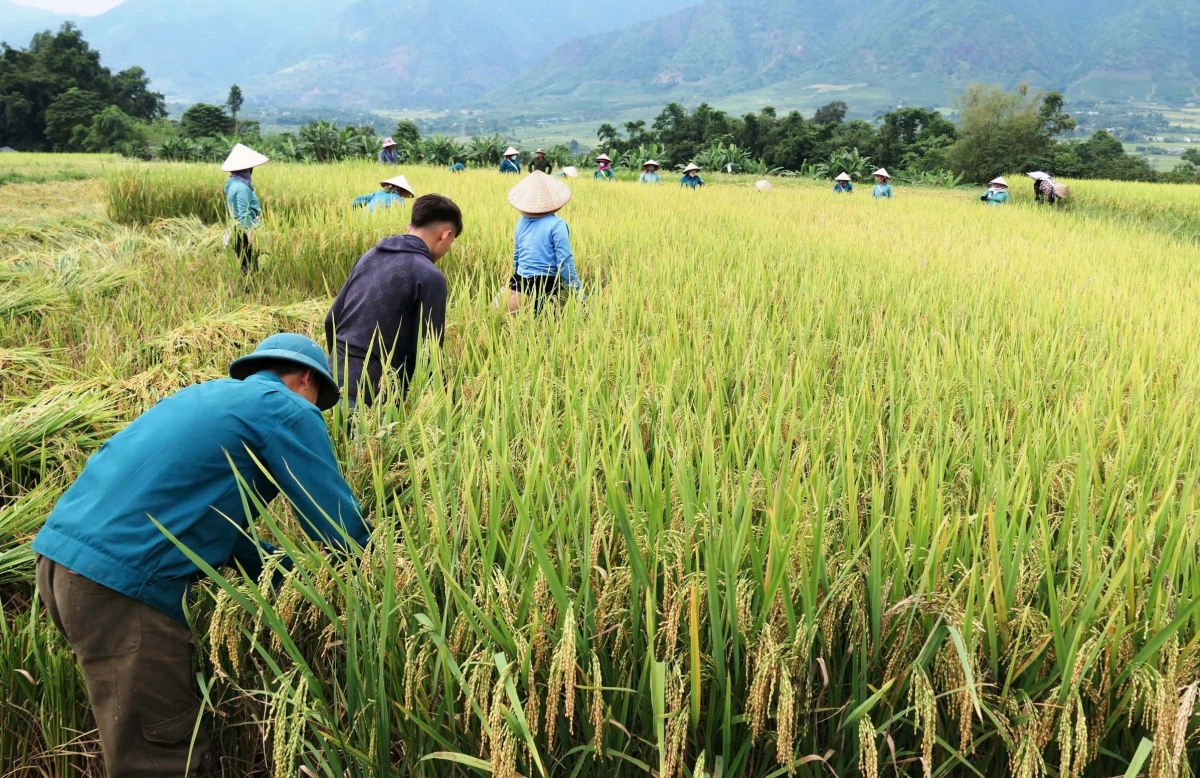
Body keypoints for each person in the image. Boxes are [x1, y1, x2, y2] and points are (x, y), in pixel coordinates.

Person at [32, 333, 368, 778]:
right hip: (122, 586)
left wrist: (295, 580)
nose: (314, 411)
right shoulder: (285, 406)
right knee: (162, 760)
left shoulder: (204, 400)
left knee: (132, 741)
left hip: (60, 567)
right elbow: (338, 527)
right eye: (317, 400)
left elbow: (223, 538)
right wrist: (374, 574)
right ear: (306, 379)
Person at [325, 194, 462, 408]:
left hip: (327, 386)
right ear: (446, 235)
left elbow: (331, 319)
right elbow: (429, 353)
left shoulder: (369, 256)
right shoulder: (429, 276)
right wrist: (454, 405)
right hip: (371, 397)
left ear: (410, 226)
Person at [501, 171, 581, 314]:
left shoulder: (520, 223)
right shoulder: (558, 225)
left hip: (519, 280)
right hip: (545, 286)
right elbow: (565, 262)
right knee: (548, 329)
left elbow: (517, 257)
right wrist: (577, 292)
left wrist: (518, 278)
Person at [222, 143, 269, 273]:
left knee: (246, 266)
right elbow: (244, 214)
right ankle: (249, 291)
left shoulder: (233, 184)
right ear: (248, 169)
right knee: (250, 268)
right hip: (243, 232)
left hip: (235, 228)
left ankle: (247, 290)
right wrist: (250, 235)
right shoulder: (242, 188)